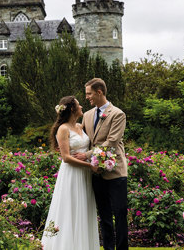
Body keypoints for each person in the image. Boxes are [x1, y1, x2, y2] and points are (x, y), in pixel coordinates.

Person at [73, 78, 128, 250]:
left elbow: (111, 142)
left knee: (119, 214)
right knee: (104, 215)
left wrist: (87, 155)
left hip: (116, 172)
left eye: (89, 93)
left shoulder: (118, 114)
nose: (87, 97)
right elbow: (81, 136)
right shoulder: (88, 115)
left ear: (99, 92)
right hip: (96, 172)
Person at [41, 96, 100, 250]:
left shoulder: (80, 127)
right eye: (79, 105)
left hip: (84, 176)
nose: (82, 106)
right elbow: (66, 158)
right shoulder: (63, 129)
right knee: (70, 208)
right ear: (73, 109)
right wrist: (89, 166)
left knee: (83, 209)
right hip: (72, 174)